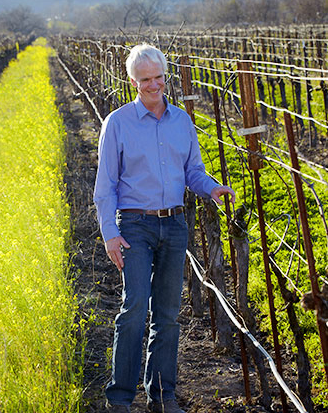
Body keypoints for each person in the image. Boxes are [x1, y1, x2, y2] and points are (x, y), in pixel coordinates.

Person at [93, 44, 235, 413]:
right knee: (135, 306)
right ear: (132, 81)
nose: (153, 85)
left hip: (173, 224)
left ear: (165, 76)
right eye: (145, 80)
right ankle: (121, 398)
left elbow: (193, 171)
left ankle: (162, 396)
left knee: (168, 313)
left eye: (158, 78)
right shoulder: (118, 123)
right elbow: (104, 185)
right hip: (134, 225)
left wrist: (211, 187)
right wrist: (110, 232)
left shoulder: (182, 120)